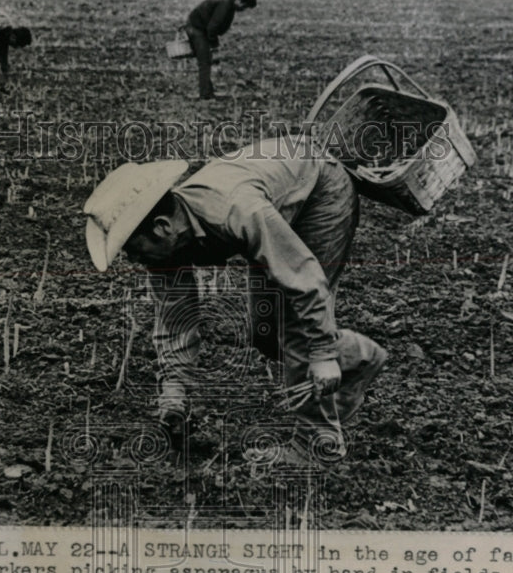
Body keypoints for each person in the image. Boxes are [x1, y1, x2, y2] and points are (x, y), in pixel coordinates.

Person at [83, 138, 388, 466]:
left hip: (319, 191)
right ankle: (358, 357)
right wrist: (174, 393)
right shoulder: (165, 247)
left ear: (161, 228)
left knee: (295, 326)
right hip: (274, 205)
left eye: (134, 250)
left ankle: (316, 446)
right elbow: (175, 318)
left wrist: (323, 353)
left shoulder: (233, 209)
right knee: (267, 332)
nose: (134, 260)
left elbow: (303, 277)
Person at [184, 0, 257, 100]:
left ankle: (208, 92)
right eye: (245, 6)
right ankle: (205, 95)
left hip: (199, 28)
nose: (243, 10)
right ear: (239, 0)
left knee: (206, 61)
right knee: (204, 62)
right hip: (196, 29)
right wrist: (214, 46)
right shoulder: (225, 4)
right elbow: (212, 27)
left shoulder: (228, 1)